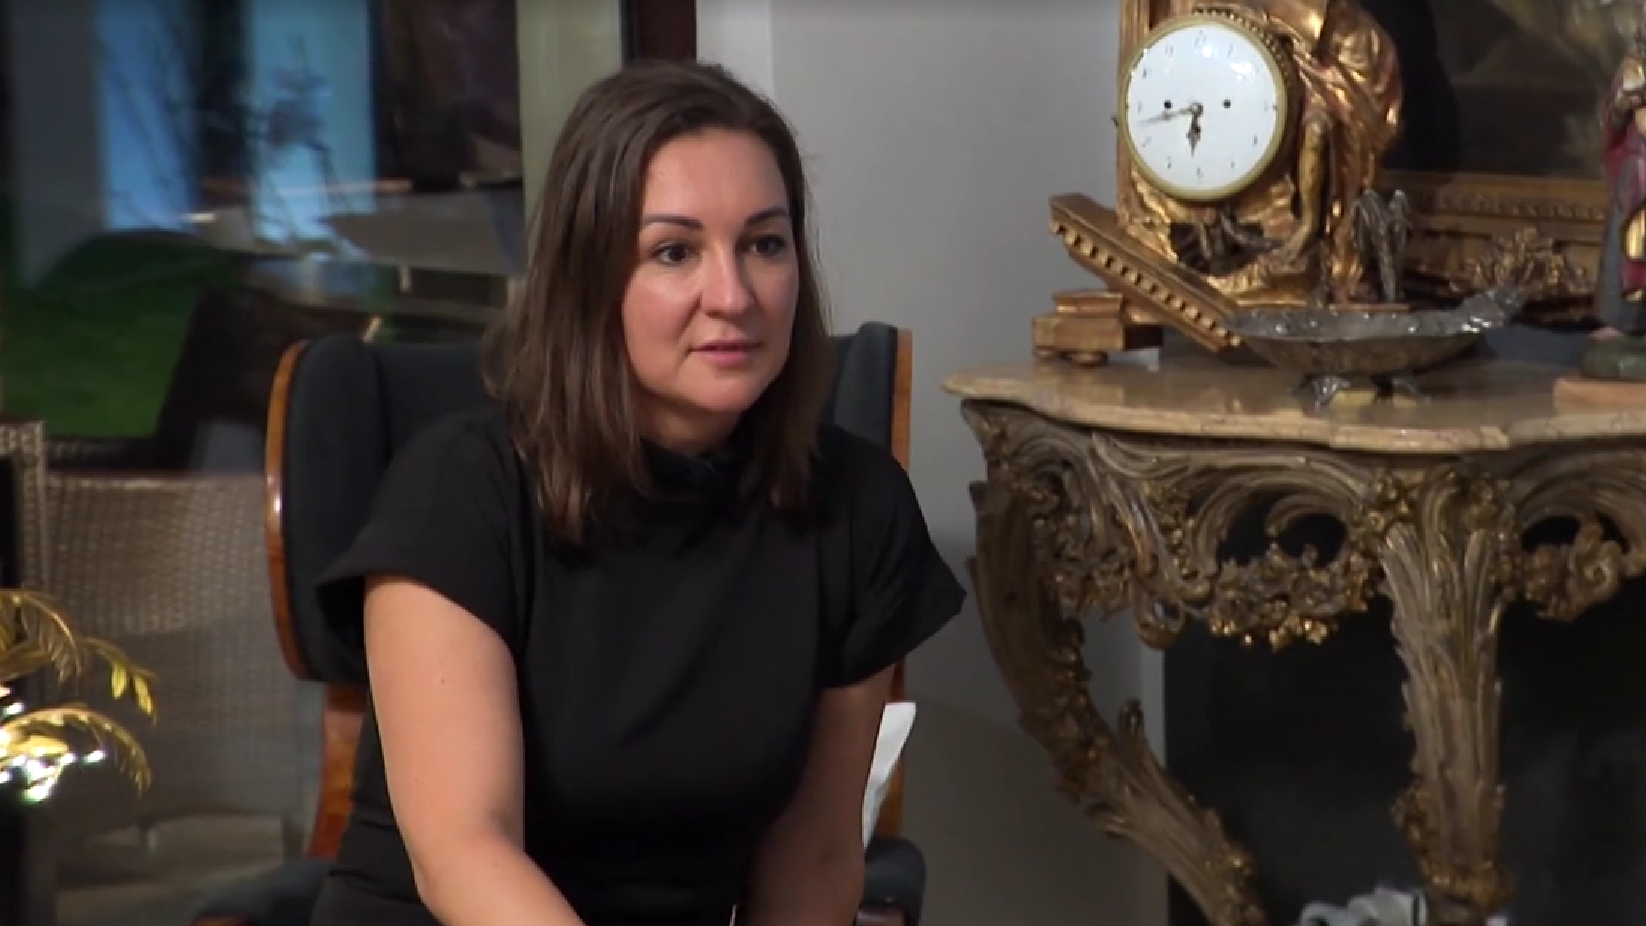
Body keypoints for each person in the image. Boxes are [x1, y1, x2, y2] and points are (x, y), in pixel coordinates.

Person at [307, 60, 965, 926]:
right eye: (674, 252)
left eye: (765, 244)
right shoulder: (460, 491)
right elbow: (464, 850)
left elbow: (814, 852)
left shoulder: (857, 506)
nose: (733, 296)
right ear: (591, 278)